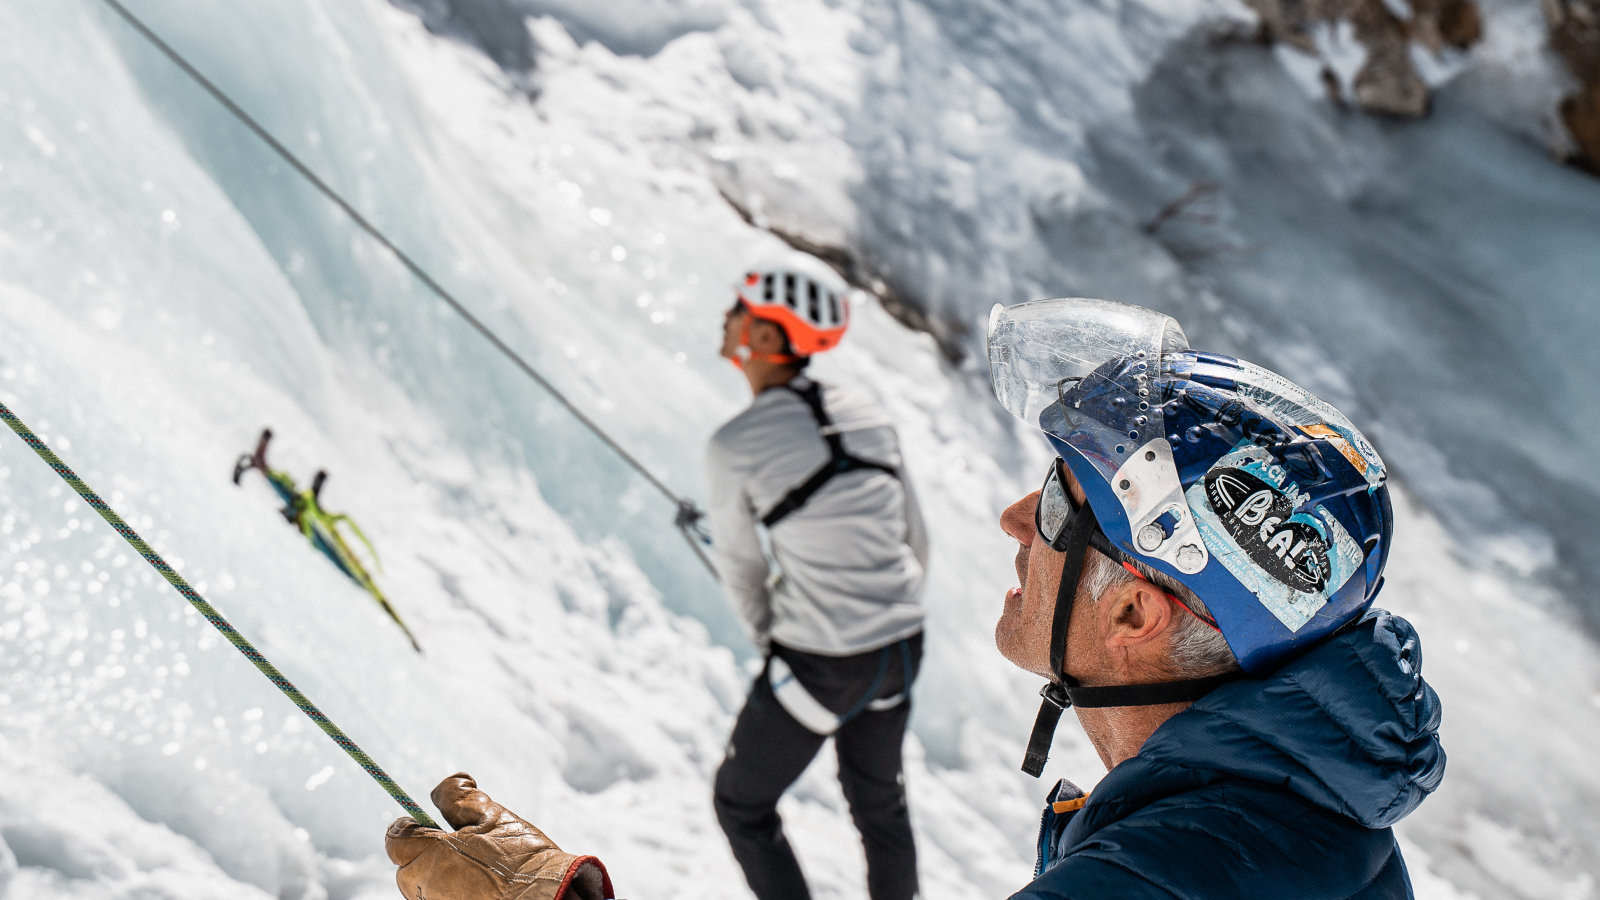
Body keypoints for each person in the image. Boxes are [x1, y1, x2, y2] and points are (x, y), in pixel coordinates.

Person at [384, 297, 1444, 900]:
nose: (1014, 523)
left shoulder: (1165, 883)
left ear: (1136, 614)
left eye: (1060, 509)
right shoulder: (1298, 840)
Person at [233, 429, 422, 652]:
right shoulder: (303, 507)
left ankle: (262, 463)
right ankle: (262, 463)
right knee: (299, 506)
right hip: (315, 529)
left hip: (317, 530)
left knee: (299, 506)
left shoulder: (304, 506)